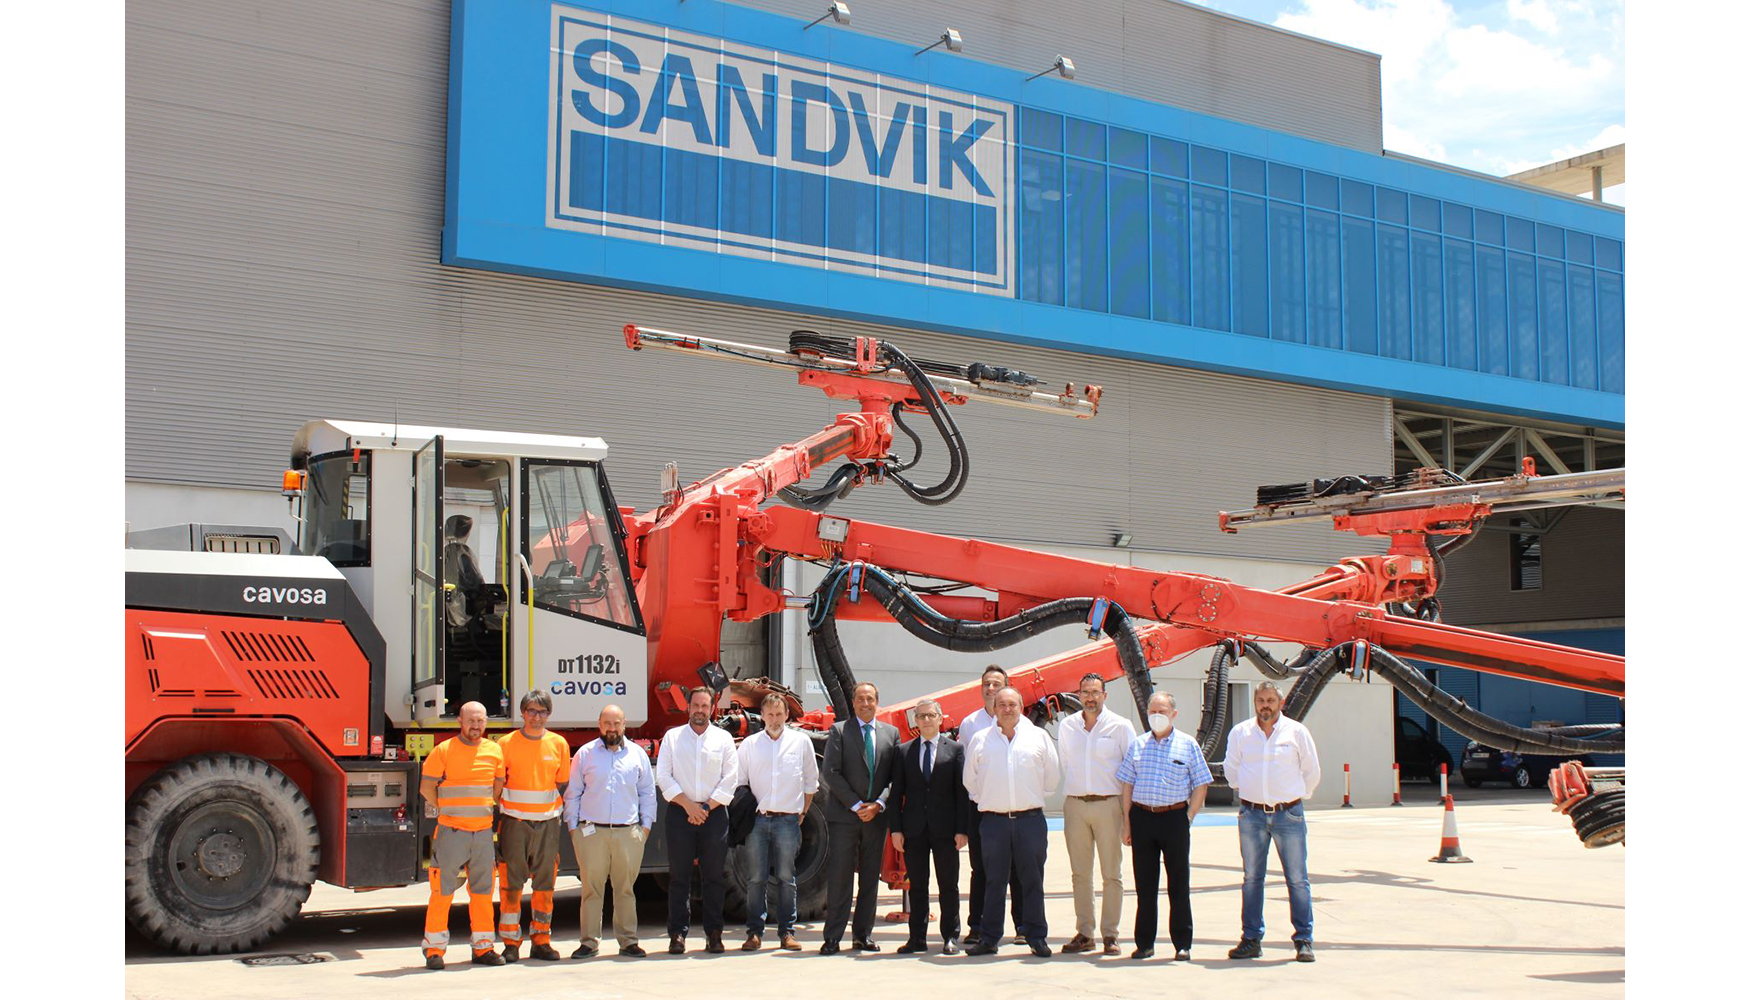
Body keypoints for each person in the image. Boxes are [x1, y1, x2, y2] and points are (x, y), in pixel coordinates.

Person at [1222, 681, 1322, 963]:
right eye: (1261, 700)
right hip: (1251, 815)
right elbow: (1231, 767)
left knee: (1297, 879)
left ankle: (1303, 940)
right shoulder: (1241, 733)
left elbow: (1311, 770)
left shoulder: (1296, 732)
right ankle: (1251, 939)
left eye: (1270, 700)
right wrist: (1249, 791)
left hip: (1288, 814)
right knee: (1252, 879)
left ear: (1280, 703)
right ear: (1255, 703)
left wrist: (1295, 795)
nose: (1265, 705)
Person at [962, 687, 1060, 958]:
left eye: (1012, 704)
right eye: (1001, 704)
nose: (1006, 709)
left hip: (1030, 821)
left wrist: (1027, 799)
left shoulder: (1038, 737)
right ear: (993, 707)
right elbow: (970, 781)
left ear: (1021, 707)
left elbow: (1051, 778)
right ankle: (990, 937)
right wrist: (994, 802)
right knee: (994, 881)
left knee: (1032, 881)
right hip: (994, 823)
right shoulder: (981, 740)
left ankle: (1036, 936)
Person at [1117, 691, 1212, 961]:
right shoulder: (1137, 745)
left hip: (1174, 819)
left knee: (1178, 885)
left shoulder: (1187, 745)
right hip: (1143, 818)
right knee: (1145, 886)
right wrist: (1126, 821)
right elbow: (1127, 784)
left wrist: (1189, 816)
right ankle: (1144, 943)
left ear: (1174, 714)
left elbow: (1201, 783)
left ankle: (1182, 943)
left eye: (1162, 712)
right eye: (1152, 712)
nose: (1157, 717)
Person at [563, 703, 656, 959]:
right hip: (592, 833)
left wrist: (645, 828)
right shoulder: (585, 754)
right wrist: (574, 829)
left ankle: (628, 941)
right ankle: (589, 943)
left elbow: (647, 792)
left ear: (624, 724)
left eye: (617, 723)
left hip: (628, 833)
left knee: (625, 889)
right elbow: (573, 794)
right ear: (599, 724)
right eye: (607, 723)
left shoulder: (637, 755)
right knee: (592, 890)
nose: (612, 728)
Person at [418, 701, 505, 970]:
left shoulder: (494, 751)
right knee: (442, 892)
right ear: (460, 721)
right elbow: (426, 787)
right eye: (471, 721)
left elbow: (498, 786)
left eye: (480, 721)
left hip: (482, 835)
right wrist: (447, 809)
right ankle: (434, 950)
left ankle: (483, 948)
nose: (476, 726)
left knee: (482, 892)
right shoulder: (443, 750)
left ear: (486, 723)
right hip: (451, 832)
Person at [1057, 672, 1137, 956]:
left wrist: (1127, 816)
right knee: (1080, 873)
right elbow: (1067, 763)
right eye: (1085, 692)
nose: (1090, 698)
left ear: (1105, 695)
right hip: (1076, 805)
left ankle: (1110, 934)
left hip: (1109, 805)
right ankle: (1085, 932)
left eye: (1095, 692)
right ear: (1078, 695)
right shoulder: (1067, 727)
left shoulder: (1120, 726)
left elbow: (1131, 771)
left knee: (1111, 874)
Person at [655, 687, 739, 954]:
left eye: (705, 706)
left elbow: (731, 778)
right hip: (681, 812)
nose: (700, 710)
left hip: (713, 814)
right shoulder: (673, 737)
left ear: (712, 708)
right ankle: (677, 934)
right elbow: (663, 776)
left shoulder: (723, 739)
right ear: (688, 707)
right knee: (679, 877)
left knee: (714, 877)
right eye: (696, 706)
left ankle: (714, 933)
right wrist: (689, 806)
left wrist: (705, 807)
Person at [819, 681, 900, 954]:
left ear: (878, 702)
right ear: (853, 703)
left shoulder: (891, 734)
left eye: (870, 699)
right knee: (840, 878)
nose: (865, 704)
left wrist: (878, 804)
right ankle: (832, 937)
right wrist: (856, 805)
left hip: (876, 819)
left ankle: (862, 936)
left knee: (869, 879)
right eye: (860, 699)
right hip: (845, 817)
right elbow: (831, 771)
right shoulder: (840, 731)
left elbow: (894, 778)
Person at [736, 693, 819, 952]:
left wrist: (802, 812)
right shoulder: (750, 745)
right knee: (756, 879)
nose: (774, 719)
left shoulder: (801, 742)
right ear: (762, 716)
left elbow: (810, 782)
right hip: (758, 822)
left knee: (786, 878)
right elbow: (740, 781)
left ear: (786, 715)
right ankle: (754, 933)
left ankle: (787, 932)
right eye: (769, 714)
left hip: (788, 821)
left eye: (779, 714)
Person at [890, 697, 971, 955]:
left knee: (949, 885)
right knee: (919, 886)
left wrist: (962, 830)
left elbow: (962, 793)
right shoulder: (904, 751)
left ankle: (950, 936)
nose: (926, 720)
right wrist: (896, 830)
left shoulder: (955, 750)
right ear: (916, 721)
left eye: (930, 715)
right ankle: (917, 938)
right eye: (921, 716)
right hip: (914, 830)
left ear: (940, 718)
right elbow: (896, 794)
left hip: (946, 830)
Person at [495, 690, 569, 962]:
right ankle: (511, 943)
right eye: (531, 711)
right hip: (514, 821)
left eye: (542, 712)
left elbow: (561, 782)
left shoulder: (558, 743)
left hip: (548, 823)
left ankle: (541, 940)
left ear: (549, 715)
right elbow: (498, 782)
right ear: (522, 712)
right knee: (510, 884)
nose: (536, 717)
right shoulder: (506, 743)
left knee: (545, 884)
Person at [956, 664, 1023, 947]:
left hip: (1015, 807)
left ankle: (1022, 926)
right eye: (987, 684)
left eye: (997, 684)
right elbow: (965, 772)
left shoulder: (1023, 723)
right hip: (981, 808)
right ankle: (977, 925)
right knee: (981, 869)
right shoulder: (969, 724)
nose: (991, 688)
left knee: (1017, 869)